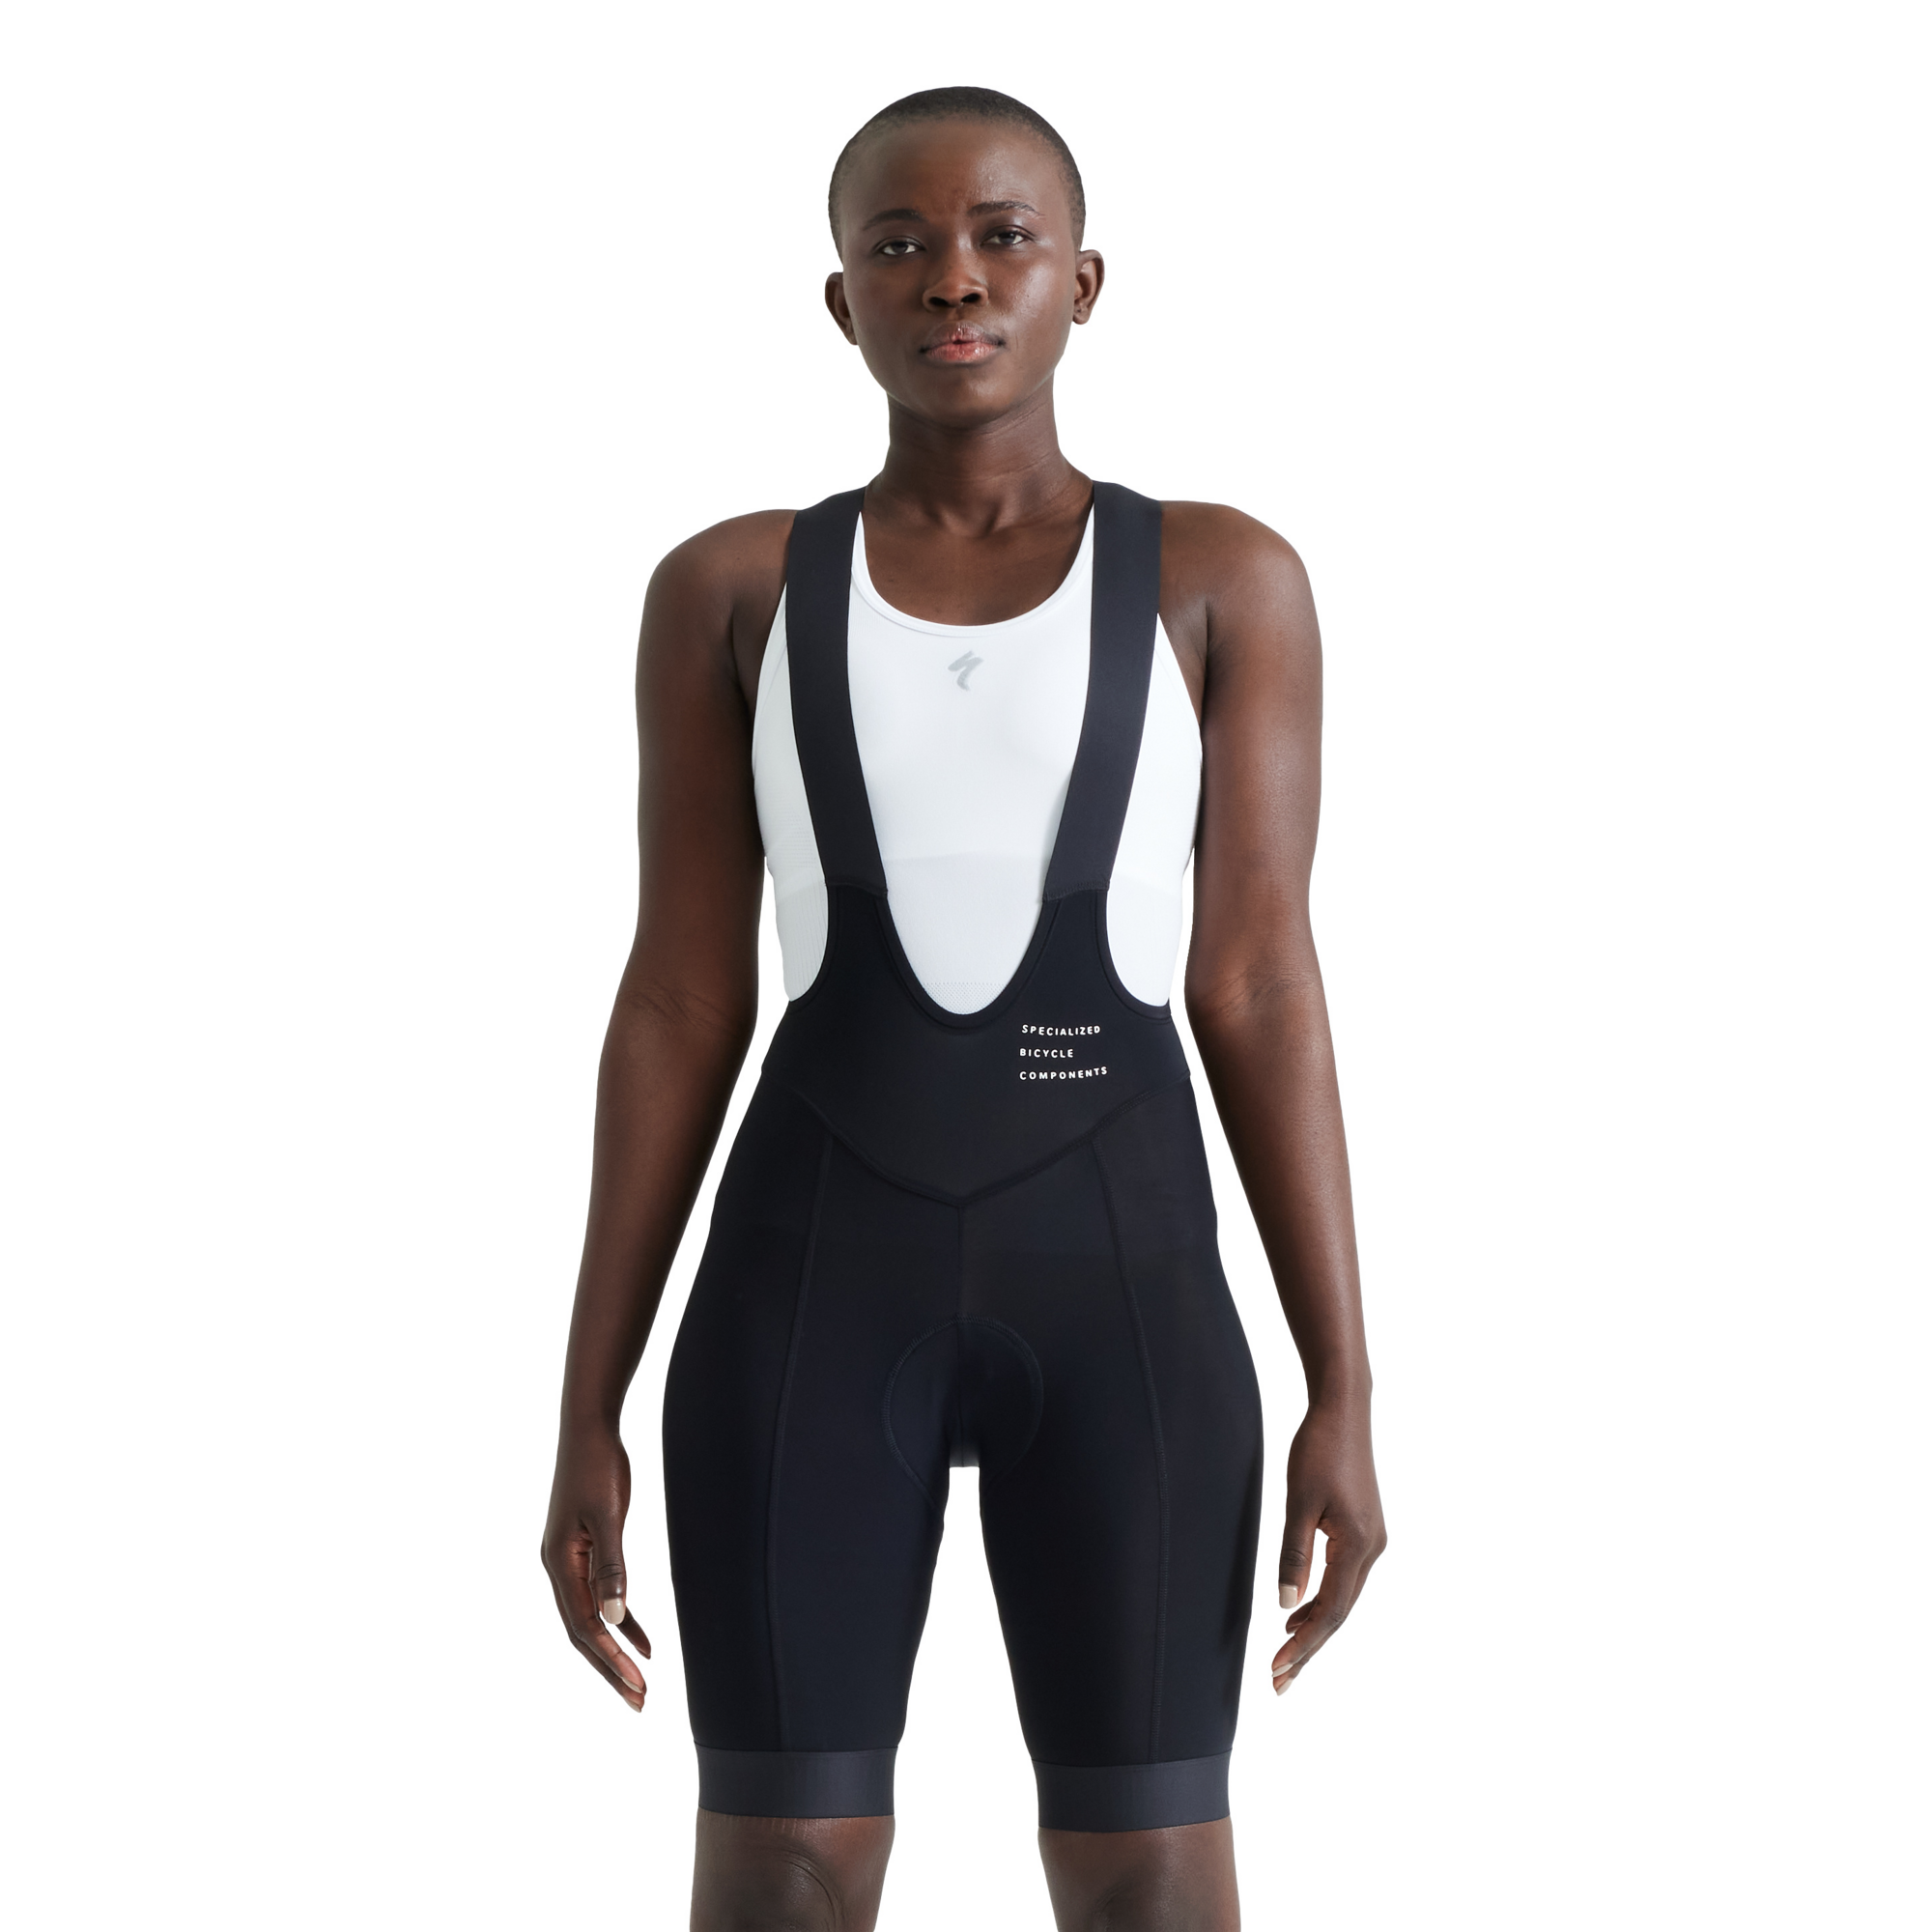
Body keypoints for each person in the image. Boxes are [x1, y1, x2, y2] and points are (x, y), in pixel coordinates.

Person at [541, 86, 1386, 1932]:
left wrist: (1346, 1383)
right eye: (900, 245)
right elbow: (679, 994)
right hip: (807, 1288)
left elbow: (1259, 979)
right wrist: (585, 1398)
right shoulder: (731, 590)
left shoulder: (1224, 580)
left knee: (1152, 1877)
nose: (953, 278)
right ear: (838, 300)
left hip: (1126, 1292)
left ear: (1085, 280)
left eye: (1003, 237)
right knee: (786, 1873)